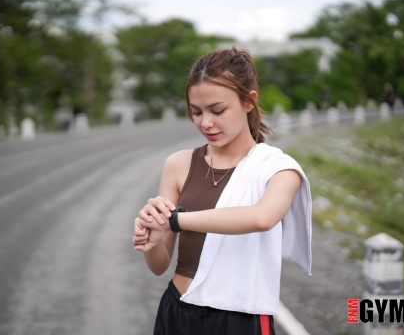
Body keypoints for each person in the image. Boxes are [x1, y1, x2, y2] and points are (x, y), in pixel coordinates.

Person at [132, 47, 312, 335]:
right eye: (196, 112)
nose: (206, 123)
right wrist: (150, 238)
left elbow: (261, 217)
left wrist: (175, 220)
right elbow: (159, 265)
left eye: (218, 111)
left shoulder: (277, 168)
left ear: (248, 102)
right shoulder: (178, 164)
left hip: (237, 319)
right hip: (176, 311)